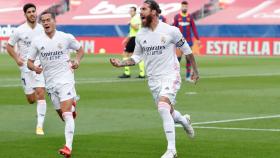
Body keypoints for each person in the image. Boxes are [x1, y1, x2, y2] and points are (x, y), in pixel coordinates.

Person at [110, 1, 199, 158]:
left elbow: (187, 50)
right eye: (139, 10)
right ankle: (184, 121)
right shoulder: (140, 35)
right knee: (168, 111)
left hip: (170, 75)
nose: (140, 13)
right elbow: (136, 57)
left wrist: (195, 71)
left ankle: (172, 150)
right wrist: (121, 63)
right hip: (153, 79)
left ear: (154, 12)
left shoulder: (171, 31)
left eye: (144, 9)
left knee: (163, 107)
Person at [27, 11, 84, 157]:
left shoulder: (65, 37)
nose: (46, 23)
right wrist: (35, 68)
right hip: (50, 83)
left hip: (66, 79)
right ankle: (72, 106)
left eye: (48, 20)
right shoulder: (37, 41)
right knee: (63, 115)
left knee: (66, 113)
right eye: (43, 21)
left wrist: (77, 61)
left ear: (54, 21)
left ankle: (68, 147)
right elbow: (29, 62)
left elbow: (80, 49)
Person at [6, 3, 47, 135]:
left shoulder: (42, 29)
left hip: (39, 66)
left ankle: (39, 126)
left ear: (36, 13)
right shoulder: (19, 30)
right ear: (25, 15)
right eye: (29, 12)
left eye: (33, 11)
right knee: (31, 99)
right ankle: (38, 108)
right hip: (25, 68)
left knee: (41, 92)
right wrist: (17, 59)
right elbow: (9, 46)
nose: (32, 14)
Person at [173, 1, 200, 82]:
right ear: (181, 7)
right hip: (179, 40)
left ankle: (188, 76)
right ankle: (175, 76)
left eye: (185, 6)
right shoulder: (177, 17)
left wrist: (197, 39)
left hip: (188, 41)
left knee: (189, 59)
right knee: (178, 59)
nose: (184, 7)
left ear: (187, 7)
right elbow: (174, 28)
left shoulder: (190, 17)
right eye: (183, 6)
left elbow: (194, 28)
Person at [118, 6, 145, 78]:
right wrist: (127, 39)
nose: (130, 12)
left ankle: (127, 73)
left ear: (135, 11)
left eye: (131, 11)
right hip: (135, 38)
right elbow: (132, 31)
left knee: (125, 54)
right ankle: (142, 74)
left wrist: (130, 23)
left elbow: (136, 27)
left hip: (135, 38)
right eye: (129, 11)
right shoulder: (135, 18)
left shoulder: (135, 18)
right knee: (135, 55)